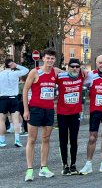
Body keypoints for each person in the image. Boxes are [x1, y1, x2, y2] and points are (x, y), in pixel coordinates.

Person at [23, 48, 62, 181]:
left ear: (54, 60)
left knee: (46, 138)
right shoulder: (35, 72)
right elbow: (25, 90)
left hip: (49, 109)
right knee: (32, 139)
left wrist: (82, 71)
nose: (50, 60)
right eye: (48, 58)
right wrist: (26, 110)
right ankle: (29, 170)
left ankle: (43, 167)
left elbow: (71, 74)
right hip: (35, 109)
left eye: (52, 58)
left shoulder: (56, 71)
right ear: (43, 58)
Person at [56, 58, 86, 175]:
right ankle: (65, 165)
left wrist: (83, 69)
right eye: (72, 66)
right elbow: (52, 70)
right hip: (62, 114)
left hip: (75, 114)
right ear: (68, 67)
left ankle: (73, 165)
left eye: (77, 66)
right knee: (63, 140)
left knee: (74, 139)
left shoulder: (81, 76)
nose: (74, 68)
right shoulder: (61, 76)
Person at [0, 59, 29, 147]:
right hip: (13, 98)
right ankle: (17, 140)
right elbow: (26, 70)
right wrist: (16, 65)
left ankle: (2, 141)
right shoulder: (16, 73)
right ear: (12, 65)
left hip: (2, 99)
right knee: (16, 120)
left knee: (1, 120)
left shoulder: (0, 74)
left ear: (5, 65)